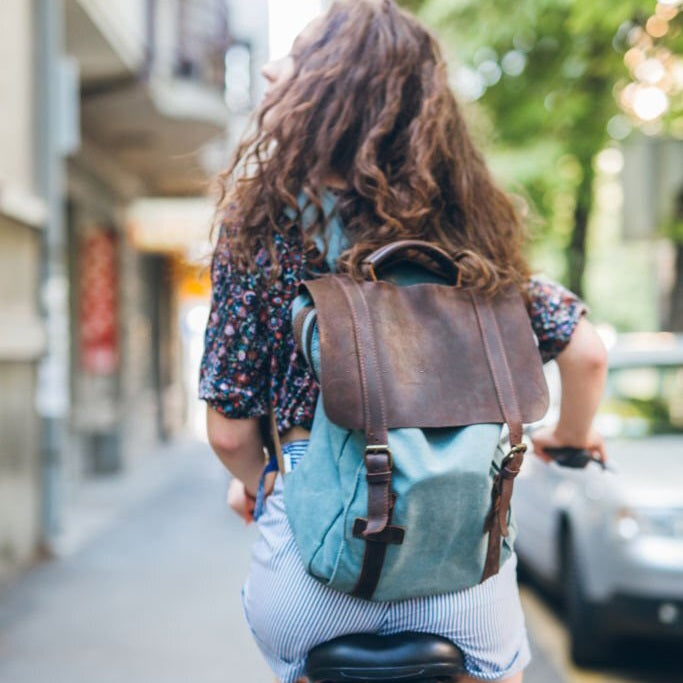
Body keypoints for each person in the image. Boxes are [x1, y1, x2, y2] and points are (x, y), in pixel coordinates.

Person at [199, 2, 607, 681]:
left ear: (332, 90)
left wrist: (265, 486)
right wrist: (567, 437)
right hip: (461, 577)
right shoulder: (469, 231)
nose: (271, 67)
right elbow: (586, 352)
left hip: (310, 580)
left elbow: (227, 433)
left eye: (295, 57)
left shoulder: (261, 225)